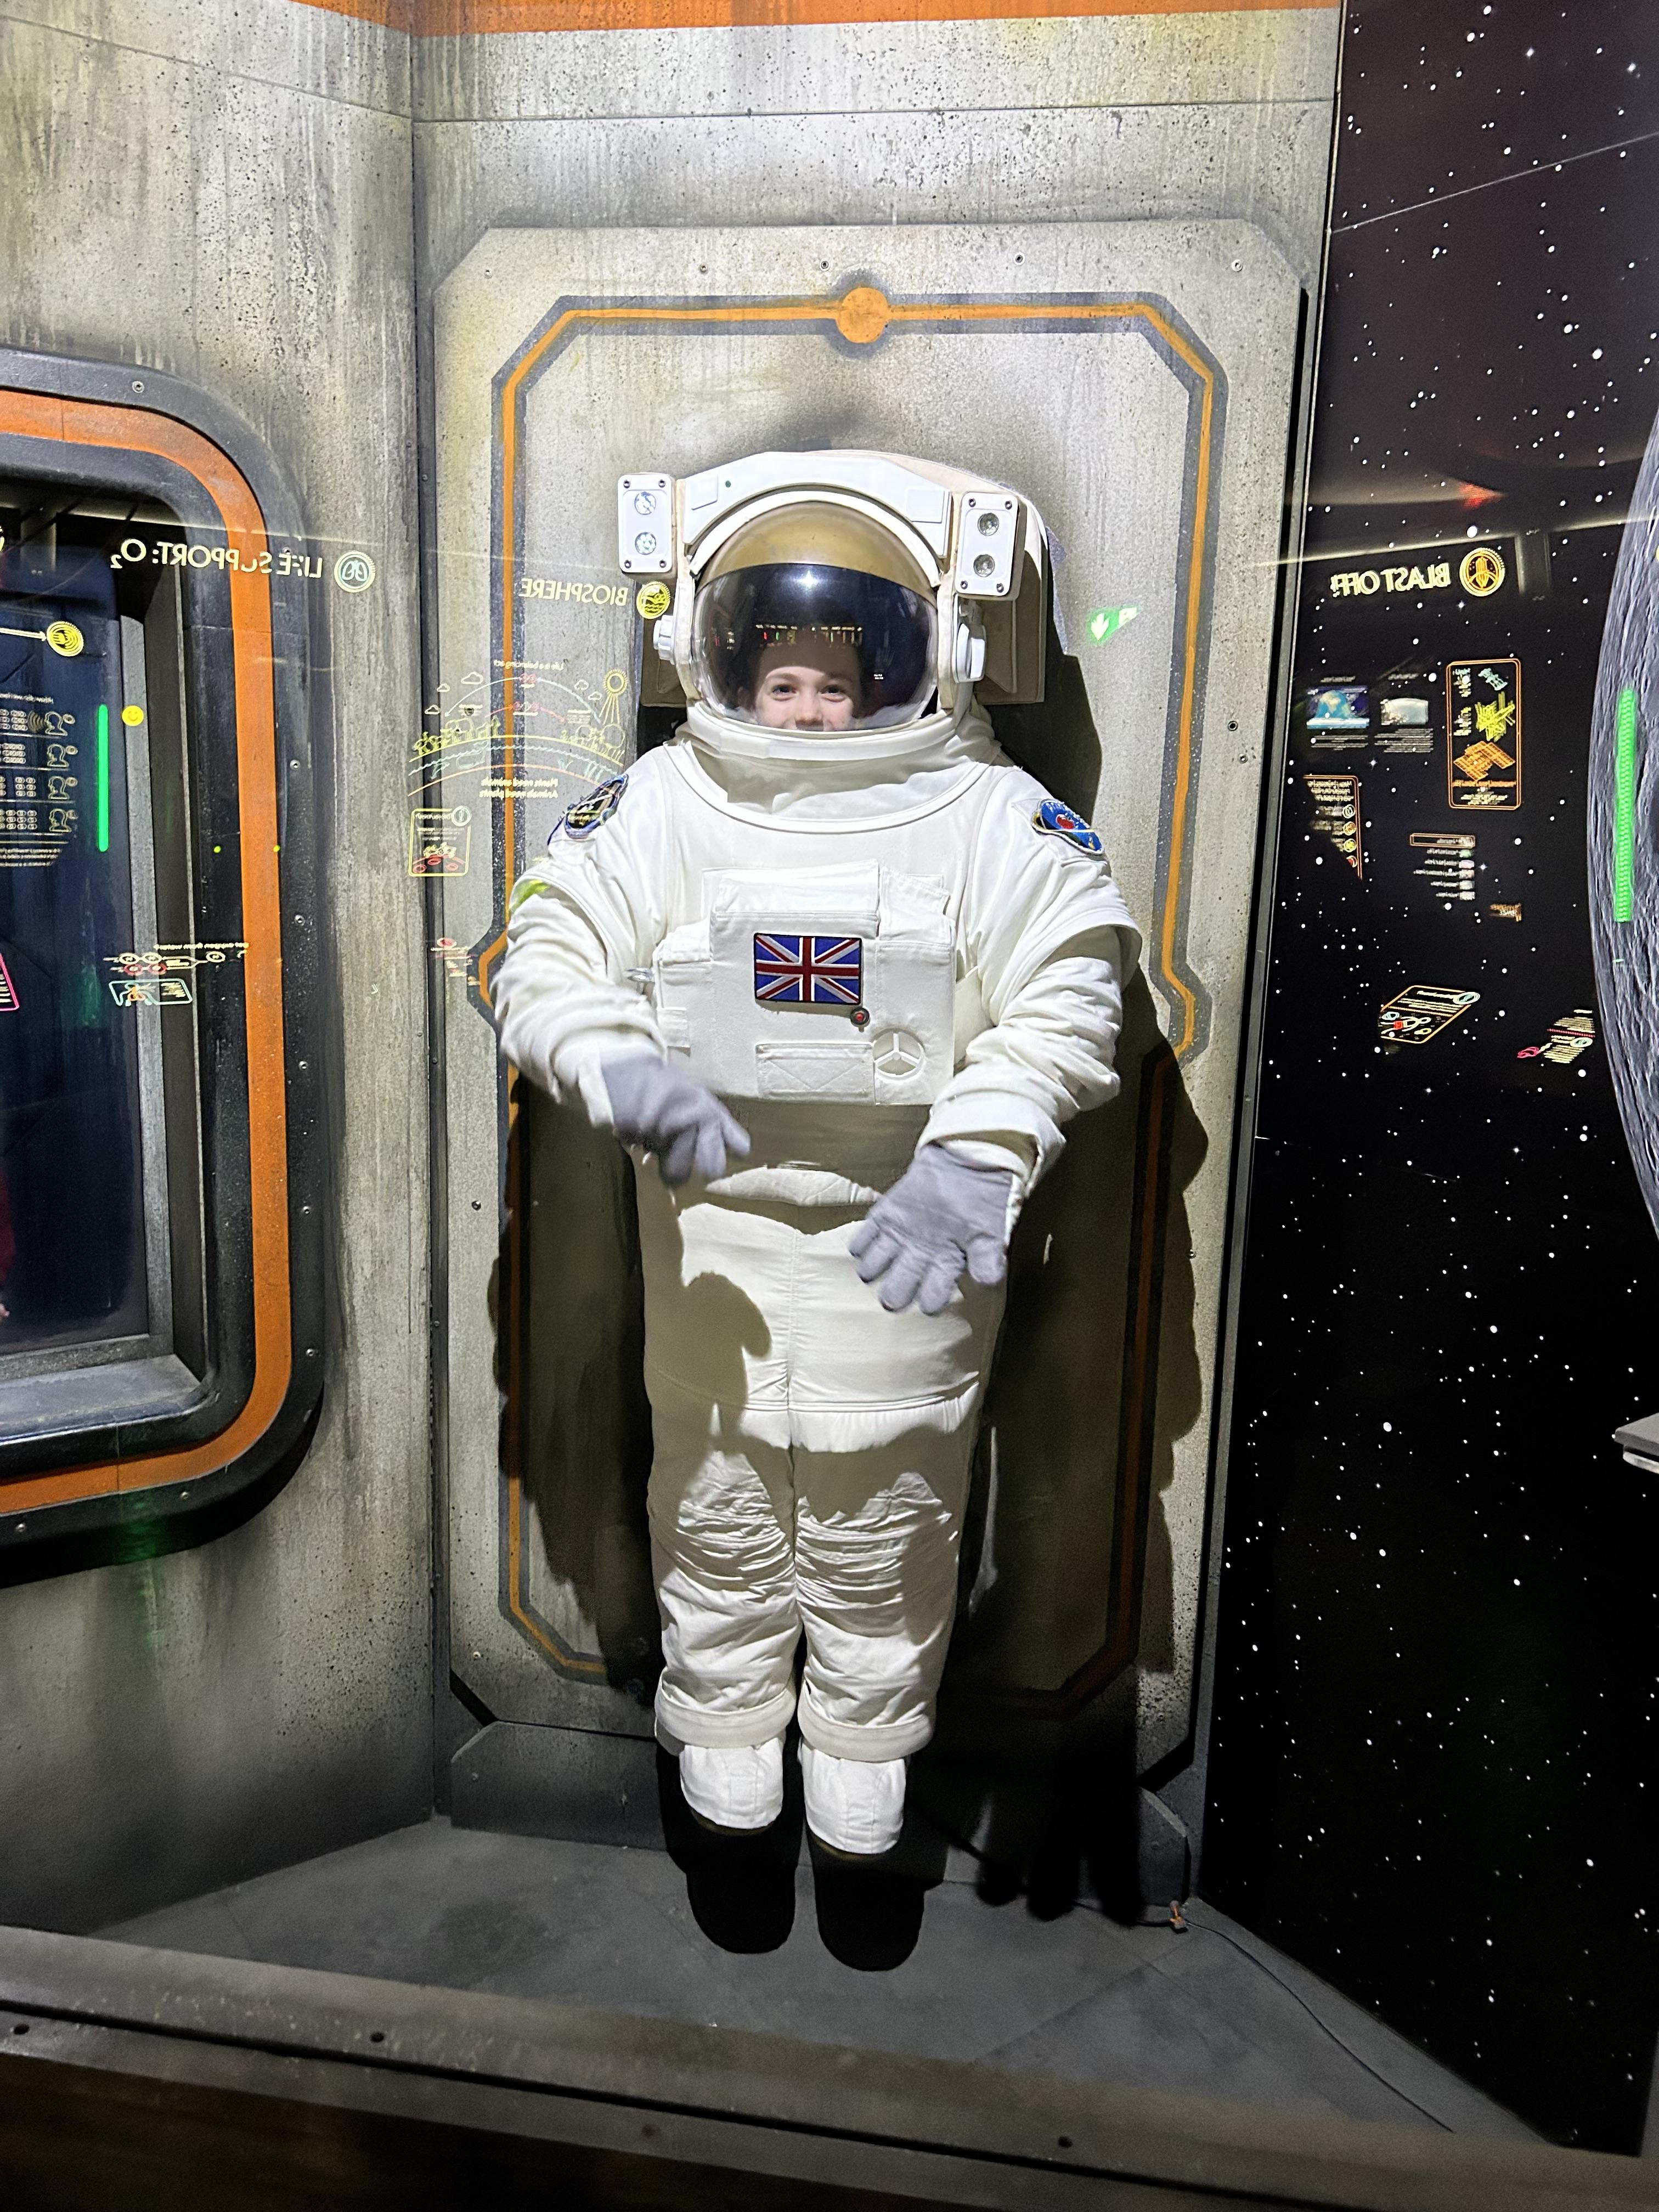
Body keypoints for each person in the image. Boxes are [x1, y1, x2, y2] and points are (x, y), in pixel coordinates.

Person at [495, 477, 1140, 1859]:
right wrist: (618, 1067)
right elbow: (545, 950)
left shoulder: (989, 817)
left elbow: (1071, 991)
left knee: (888, 1514)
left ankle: (862, 1739)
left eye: (839, 686)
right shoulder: (665, 804)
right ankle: (725, 1716)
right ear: (717, 665)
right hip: (712, 1262)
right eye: (780, 682)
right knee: (713, 1501)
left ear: (927, 659)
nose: (806, 714)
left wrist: (978, 1153)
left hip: (908, 1244)